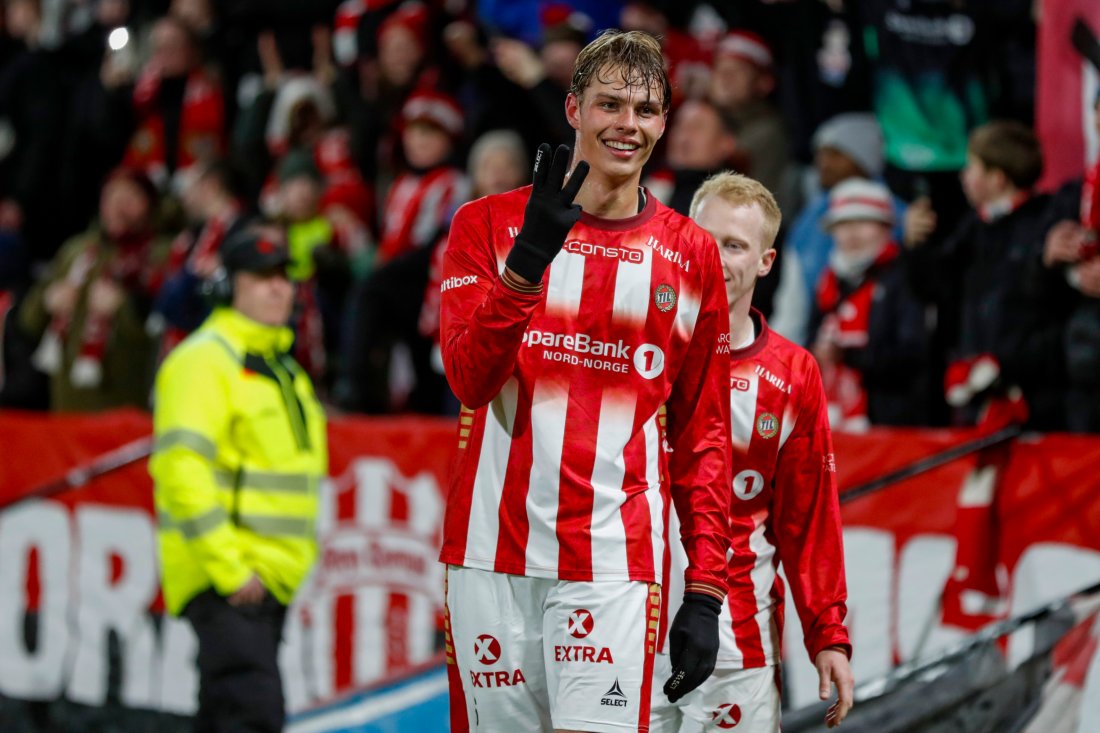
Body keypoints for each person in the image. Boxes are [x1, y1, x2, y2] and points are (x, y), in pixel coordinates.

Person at [439, 29, 732, 732]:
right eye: (609, 104)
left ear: (664, 121)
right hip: (490, 561)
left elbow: (704, 435)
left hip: (612, 564)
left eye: (646, 109)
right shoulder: (485, 225)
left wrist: (707, 591)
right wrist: (527, 265)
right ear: (572, 108)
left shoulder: (691, 255)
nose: (627, 125)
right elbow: (469, 380)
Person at [651, 172, 853, 732]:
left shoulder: (793, 375)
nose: (715, 257)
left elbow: (808, 520)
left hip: (735, 643)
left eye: (735, 245)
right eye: (705, 237)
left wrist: (828, 634)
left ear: (765, 262)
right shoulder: (636, 346)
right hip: (622, 623)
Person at [149, 227, 327, 733]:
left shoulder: (282, 368)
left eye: (284, 278)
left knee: (227, 715)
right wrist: (229, 570)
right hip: (231, 579)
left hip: (267, 580)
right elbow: (180, 470)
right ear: (229, 287)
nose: (279, 288)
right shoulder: (204, 360)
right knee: (252, 717)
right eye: (262, 277)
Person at [903, 120, 1073, 431]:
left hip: (1034, 397)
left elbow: (1047, 311)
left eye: (972, 167)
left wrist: (1002, 364)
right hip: (975, 390)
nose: (963, 176)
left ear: (996, 179)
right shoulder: (971, 227)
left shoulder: (1047, 223)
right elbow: (933, 287)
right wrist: (915, 245)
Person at [769, 113, 906, 346]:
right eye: (820, 154)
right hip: (818, 355)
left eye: (835, 154)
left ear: (864, 158)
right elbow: (793, 304)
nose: (824, 163)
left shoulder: (899, 216)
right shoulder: (808, 220)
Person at [809, 178, 934, 429]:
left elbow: (914, 355)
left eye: (863, 222)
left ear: (886, 228)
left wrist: (850, 357)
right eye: (843, 224)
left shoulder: (904, 279)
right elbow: (810, 339)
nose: (852, 234)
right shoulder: (827, 284)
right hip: (833, 422)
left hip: (890, 423)